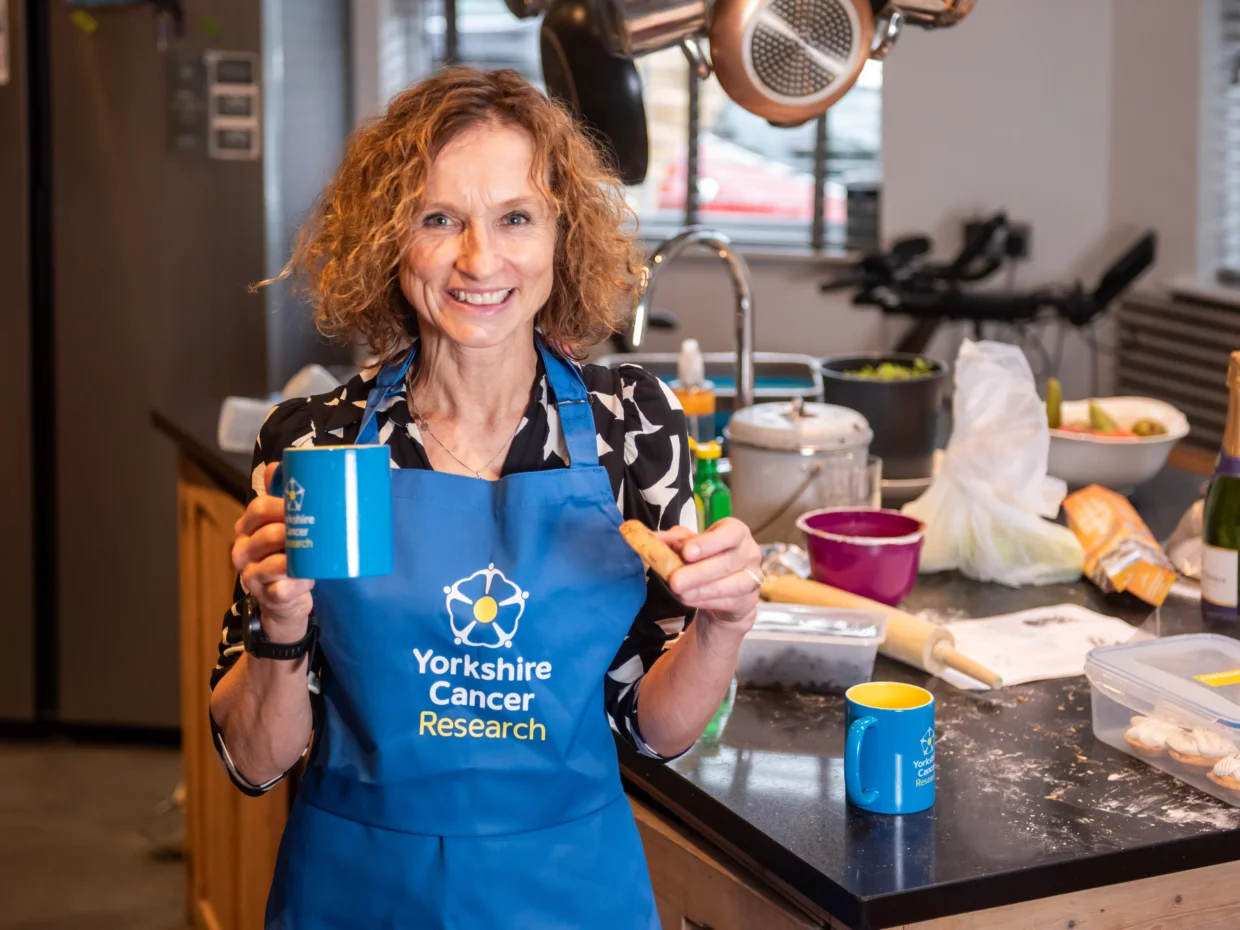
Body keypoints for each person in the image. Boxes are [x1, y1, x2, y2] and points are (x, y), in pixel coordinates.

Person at [209, 67, 763, 929]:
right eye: (440, 220)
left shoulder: (631, 427)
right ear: (391, 243)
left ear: (560, 236)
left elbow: (654, 730)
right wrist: (276, 631)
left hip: (572, 889)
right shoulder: (316, 442)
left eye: (515, 217)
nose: (480, 259)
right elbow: (254, 761)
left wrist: (722, 625)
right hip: (358, 892)